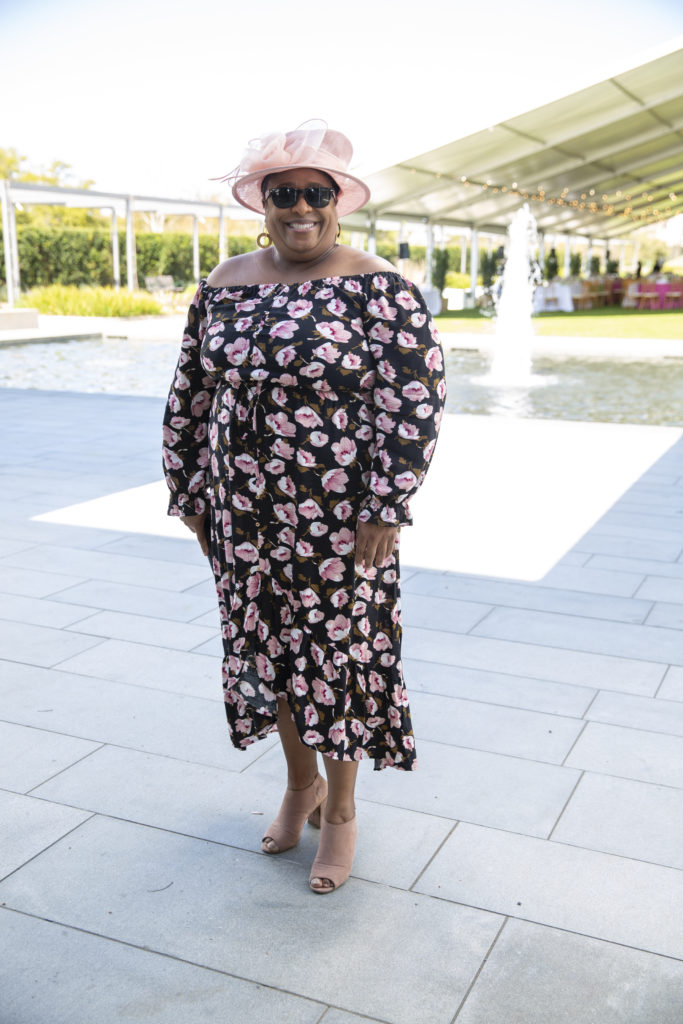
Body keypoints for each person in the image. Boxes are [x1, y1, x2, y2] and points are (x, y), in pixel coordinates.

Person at [162, 122, 446, 894]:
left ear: (337, 203)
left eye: (314, 195)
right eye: (283, 194)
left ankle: (344, 810)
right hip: (241, 513)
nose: (299, 210)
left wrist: (387, 504)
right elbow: (191, 392)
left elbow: (412, 402)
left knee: (337, 661)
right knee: (270, 656)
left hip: (339, 520)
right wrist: (188, 489)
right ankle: (299, 786)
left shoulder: (377, 284)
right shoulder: (225, 282)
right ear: (262, 201)